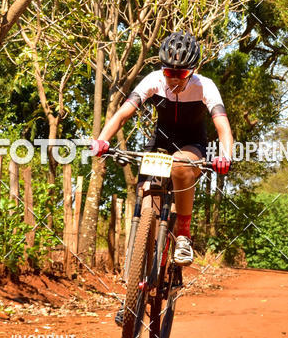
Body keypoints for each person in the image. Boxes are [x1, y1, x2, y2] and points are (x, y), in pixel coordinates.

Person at [90, 32, 233, 274]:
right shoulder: (153, 80)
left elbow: (222, 127)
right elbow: (123, 113)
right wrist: (102, 140)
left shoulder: (205, 86)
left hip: (192, 144)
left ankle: (184, 236)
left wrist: (225, 156)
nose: (174, 80)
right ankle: (146, 251)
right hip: (160, 142)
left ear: (193, 71)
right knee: (146, 193)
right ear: (162, 69)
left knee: (179, 166)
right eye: (169, 73)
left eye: (182, 74)